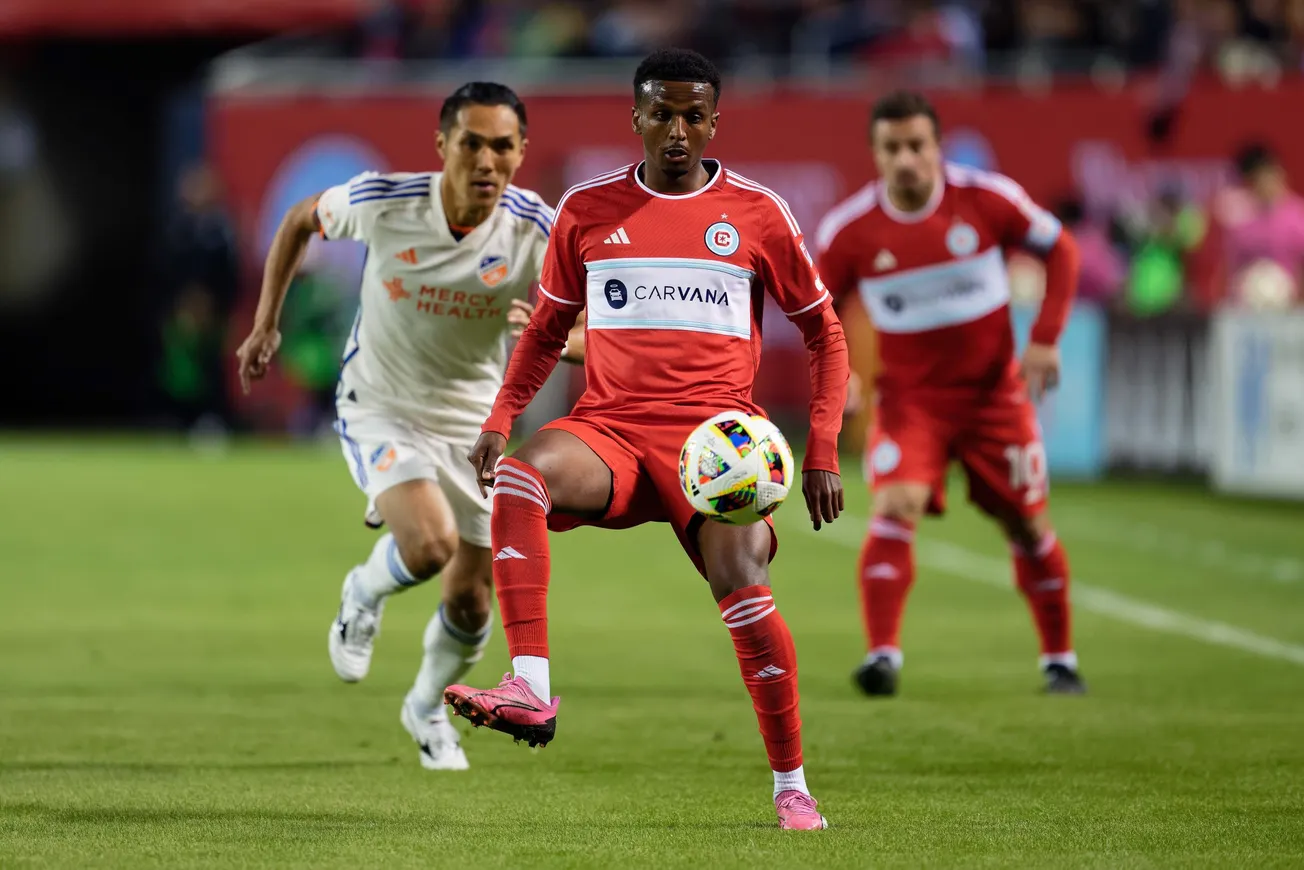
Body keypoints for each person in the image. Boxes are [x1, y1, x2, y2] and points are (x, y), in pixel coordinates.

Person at [443, 48, 848, 831]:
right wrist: (501, 418)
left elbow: (826, 336)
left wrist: (823, 447)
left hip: (717, 448)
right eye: (661, 112)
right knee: (524, 478)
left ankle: (791, 785)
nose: (676, 129)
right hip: (613, 432)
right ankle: (528, 684)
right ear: (635, 117)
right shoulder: (588, 210)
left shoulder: (759, 213)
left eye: (693, 115)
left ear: (714, 122)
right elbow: (544, 333)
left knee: (744, 590)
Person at [235, 82, 583, 771]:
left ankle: (425, 708)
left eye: (503, 146)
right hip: (381, 403)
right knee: (428, 547)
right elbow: (301, 219)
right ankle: (362, 593)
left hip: (472, 425)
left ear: (521, 152)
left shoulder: (536, 228)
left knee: (473, 602)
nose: (488, 161)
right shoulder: (385, 202)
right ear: (442, 146)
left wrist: (559, 336)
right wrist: (265, 322)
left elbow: (586, 323)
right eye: (472, 143)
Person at [815, 91, 1085, 698]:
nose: (906, 159)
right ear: (875, 155)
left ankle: (1059, 660)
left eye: (917, 146)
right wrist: (840, 372)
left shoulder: (987, 199)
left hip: (996, 399)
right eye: (892, 148)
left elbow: (1061, 249)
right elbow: (819, 311)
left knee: (1025, 523)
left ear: (937, 148)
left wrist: (1044, 339)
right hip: (912, 403)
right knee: (895, 505)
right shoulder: (850, 232)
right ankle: (882, 656)